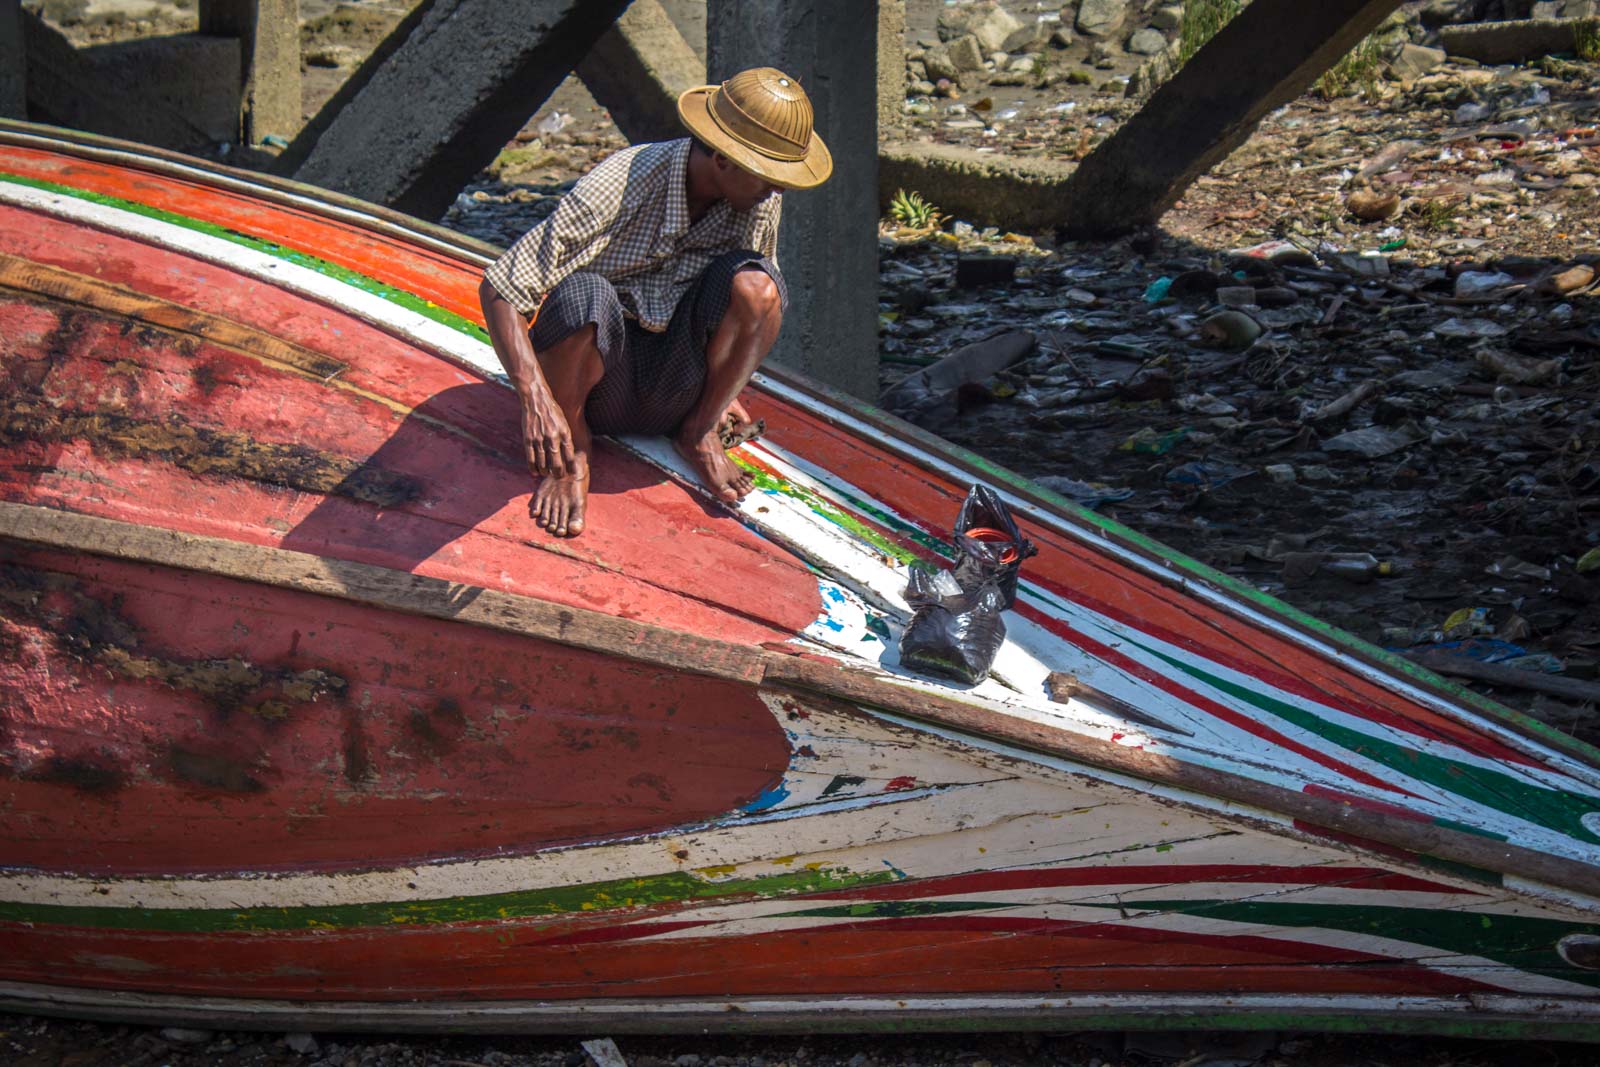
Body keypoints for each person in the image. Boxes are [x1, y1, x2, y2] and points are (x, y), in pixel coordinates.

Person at [478, 67, 833, 538]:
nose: (778, 189)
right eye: (768, 177)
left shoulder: (759, 197)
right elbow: (502, 287)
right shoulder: (621, 183)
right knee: (586, 296)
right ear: (724, 161)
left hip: (674, 384)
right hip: (595, 381)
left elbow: (751, 303)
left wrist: (725, 393)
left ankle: (698, 432)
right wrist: (535, 400)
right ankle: (571, 457)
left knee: (758, 287)